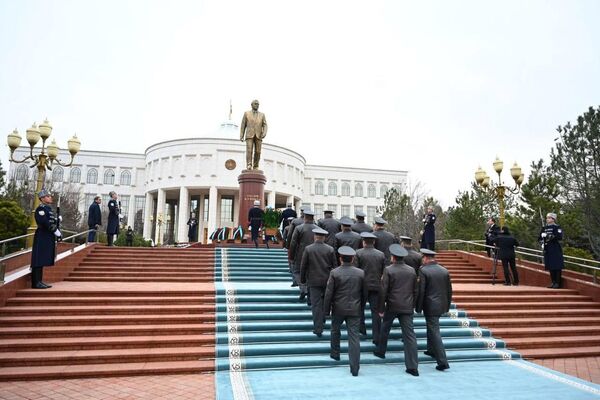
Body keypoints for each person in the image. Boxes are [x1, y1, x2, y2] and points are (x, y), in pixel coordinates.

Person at [375, 244, 419, 377]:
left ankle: (381, 352)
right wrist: (413, 305)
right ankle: (412, 366)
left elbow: (383, 291)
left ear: (393, 257)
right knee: (409, 336)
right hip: (407, 306)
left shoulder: (389, 270)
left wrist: (381, 308)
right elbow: (415, 290)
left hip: (393, 306)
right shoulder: (411, 270)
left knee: (385, 328)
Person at [323, 246, 367, 377]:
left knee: (335, 330)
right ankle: (355, 367)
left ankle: (335, 353)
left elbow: (328, 293)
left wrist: (326, 310)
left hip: (338, 308)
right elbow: (364, 293)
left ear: (340, 258)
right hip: (355, 308)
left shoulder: (334, 273)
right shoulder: (361, 273)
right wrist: (361, 306)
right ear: (353, 258)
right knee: (354, 337)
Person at [416, 248, 452, 372]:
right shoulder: (444, 270)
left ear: (425, 258)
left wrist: (418, 307)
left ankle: (442, 361)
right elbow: (449, 291)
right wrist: (447, 306)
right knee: (431, 327)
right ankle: (431, 350)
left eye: (422, 258)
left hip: (430, 305)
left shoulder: (423, 270)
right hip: (441, 304)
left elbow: (421, 291)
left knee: (434, 331)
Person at [300, 227, 337, 337]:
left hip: (313, 281)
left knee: (316, 305)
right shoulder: (330, 249)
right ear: (324, 237)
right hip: (327, 280)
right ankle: (323, 319)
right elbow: (335, 267)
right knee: (326, 302)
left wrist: (302, 280)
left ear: (315, 236)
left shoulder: (308, 249)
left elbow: (303, 266)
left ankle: (318, 328)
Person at [354, 232, 386, 340]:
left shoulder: (358, 253)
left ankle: (362, 330)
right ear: (374, 242)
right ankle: (376, 336)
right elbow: (383, 271)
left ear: (363, 242)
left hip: (362, 286)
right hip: (376, 286)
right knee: (375, 312)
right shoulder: (381, 254)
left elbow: (356, 270)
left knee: (360, 309)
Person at [30, 189, 61, 289]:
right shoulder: (41, 209)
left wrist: (57, 221)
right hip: (42, 235)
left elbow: (50, 221)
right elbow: (44, 222)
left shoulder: (48, 209)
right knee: (38, 259)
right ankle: (36, 282)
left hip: (47, 236)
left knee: (42, 258)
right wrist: (54, 230)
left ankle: (39, 281)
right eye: (48, 196)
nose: (50, 197)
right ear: (42, 198)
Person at [289, 209, 317, 302]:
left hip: (300, 253)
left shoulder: (299, 228)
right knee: (310, 273)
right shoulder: (317, 228)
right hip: (314, 254)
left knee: (297, 271)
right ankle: (309, 295)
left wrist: (291, 256)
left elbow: (293, 243)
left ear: (304, 217)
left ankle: (303, 289)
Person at [240, 99, 268, 170]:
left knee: (258, 151)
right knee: (249, 150)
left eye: (258, 104)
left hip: (259, 135)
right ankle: (249, 164)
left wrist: (264, 133)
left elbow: (265, 125)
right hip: (249, 135)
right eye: (255, 104)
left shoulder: (262, 115)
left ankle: (256, 166)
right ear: (251, 105)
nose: (257, 105)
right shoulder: (246, 113)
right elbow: (243, 125)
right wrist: (241, 135)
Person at [539, 212, 564, 289]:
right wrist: (542, 242)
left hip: (555, 248)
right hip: (547, 248)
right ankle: (553, 282)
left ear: (553, 219)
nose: (547, 219)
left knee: (556, 266)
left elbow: (559, 237)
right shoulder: (544, 228)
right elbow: (539, 238)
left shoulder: (557, 227)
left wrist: (549, 236)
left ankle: (557, 283)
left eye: (549, 218)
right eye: (547, 218)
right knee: (550, 266)